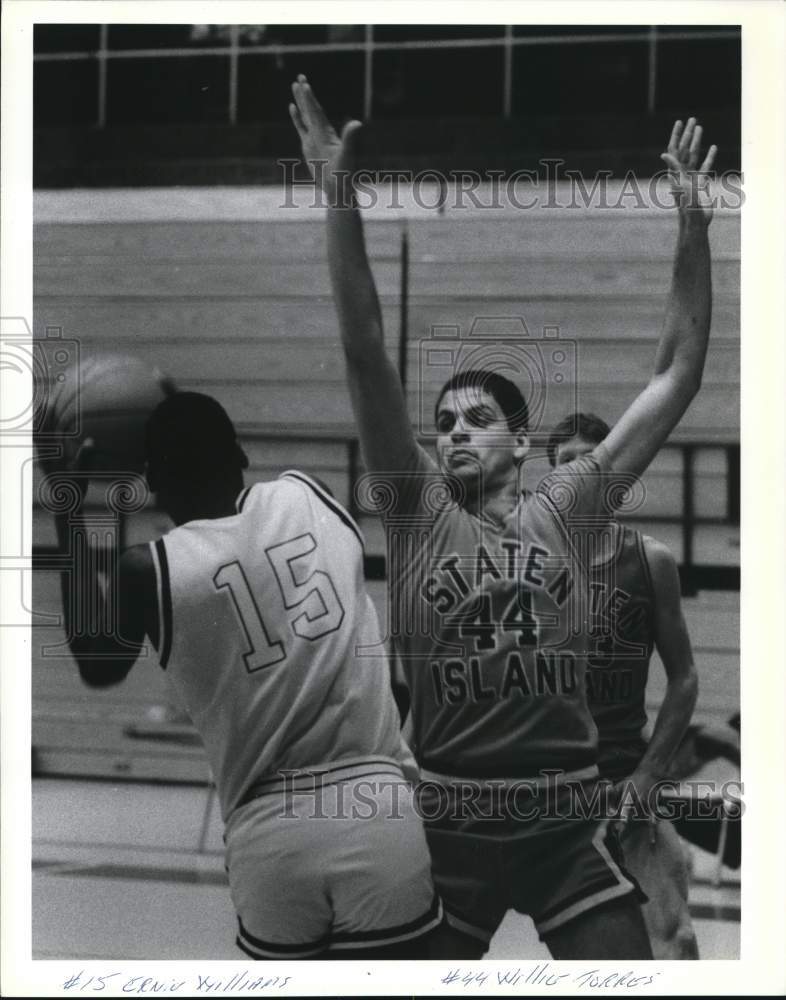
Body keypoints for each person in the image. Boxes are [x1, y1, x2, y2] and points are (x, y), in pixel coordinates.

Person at [290, 73, 716, 959]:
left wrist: (692, 230)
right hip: (449, 819)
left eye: (477, 420)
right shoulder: (413, 515)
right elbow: (363, 345)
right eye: (443, 423)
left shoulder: (567, 509)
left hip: (566, 819)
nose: (454, 434)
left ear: (522, 447)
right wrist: (339, 200)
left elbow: (674, 375)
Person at [46, 390, 441, 959]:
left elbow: (97, 664)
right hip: (375, 808)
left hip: (270, 831)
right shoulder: (310, 495)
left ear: (153, 480)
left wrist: (68, 507)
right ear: (240, 457)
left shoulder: (151, 570)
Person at [547, 411, 700, 959]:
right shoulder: (524, 562)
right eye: (564, 464)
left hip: (622, 782)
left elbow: (683, 678)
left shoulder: (649, 559)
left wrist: (649, 773)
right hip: (542, 790)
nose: (576, 475)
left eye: (589, 462)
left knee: (673, 942)